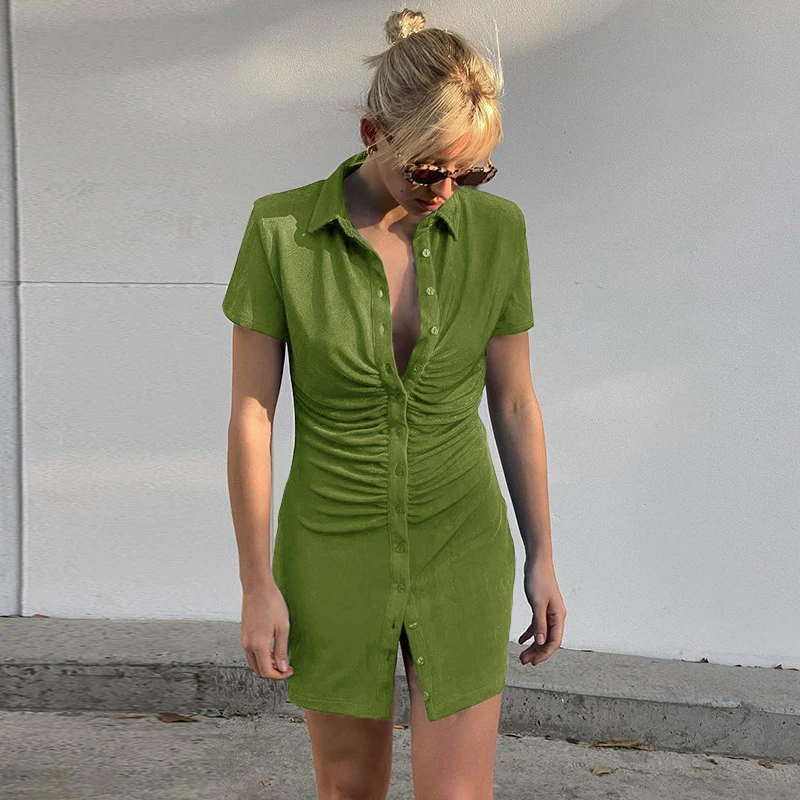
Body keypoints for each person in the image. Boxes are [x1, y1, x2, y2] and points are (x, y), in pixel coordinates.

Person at [222, 8, 566, 799]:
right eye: (428, 170)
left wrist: (542, 553)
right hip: (332, 542)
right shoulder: (281, 232)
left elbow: (515, 402)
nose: (446, 191)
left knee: (457, 793)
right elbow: (252, 415)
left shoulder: (499, 232)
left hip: (462, 536)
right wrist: (255, 582)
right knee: (350, 788)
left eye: (470, 173)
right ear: (372, 133)